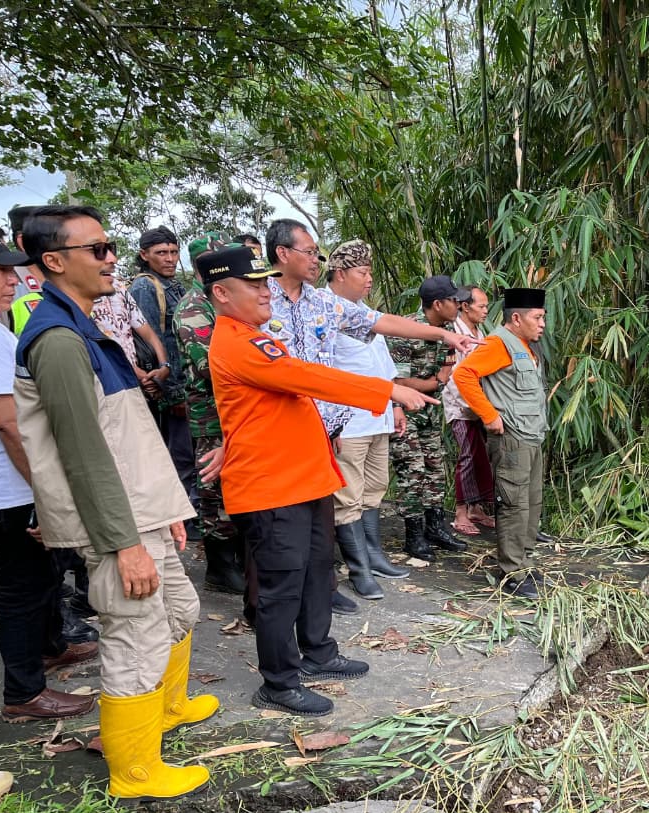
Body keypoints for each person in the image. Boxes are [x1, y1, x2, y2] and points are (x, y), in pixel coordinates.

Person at [15, 205, 215, 800]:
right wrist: (124, 543)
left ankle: (169, 709)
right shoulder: (56, 339)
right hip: (116, 522)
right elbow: (83, 452)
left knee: (178, 611)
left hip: (143, 507)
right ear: (54, 261)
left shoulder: (85, 326)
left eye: (110, 248)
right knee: (134, 634)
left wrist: (168, 508)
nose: (111, 259)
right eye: (97, 249)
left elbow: (125, 432)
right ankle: (134, 771)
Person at [203, 246, 436, 716]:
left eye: (266, 283)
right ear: (221, 293)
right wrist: (386, 389)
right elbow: (302, 376)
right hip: (272, 486)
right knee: (281, 588)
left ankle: (318, 653)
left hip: (305, 478)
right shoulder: (236, 340)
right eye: (254, 285)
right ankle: (279, 681)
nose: (267, 292)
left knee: (315, 573)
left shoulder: (257, 335)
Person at [263, 219, 480, 612]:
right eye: (310, 252)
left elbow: (381, 324)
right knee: (295, 513)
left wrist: (444, 335)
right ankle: (289, 597)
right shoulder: (261, 301)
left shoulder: (324, 304)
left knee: (333, 504)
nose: (317, 260)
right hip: (281, 423)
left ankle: (335, 581)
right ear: (283, 254)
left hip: (330, 422)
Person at [0, 227, 97, 721]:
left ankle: (51, 646)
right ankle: (23, 693)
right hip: (8, 485)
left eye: (13, 268)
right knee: (24, 586)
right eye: (0, 270)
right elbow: (8, 422)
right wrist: (46, 491)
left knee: (45, 575)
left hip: (10, 480)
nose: (13, 279)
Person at [325, 240, 409, 600]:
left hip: (378, 418)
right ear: (341, 274)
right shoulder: (323, 311)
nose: (369, 279)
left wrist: (396, 405)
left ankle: (374, 555)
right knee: (347, 496)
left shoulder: (366, 313)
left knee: (375, 488)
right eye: (363, 272)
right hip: (349, 421)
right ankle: (358, 569)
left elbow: (383, 366)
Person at [454, 287, 549, 599]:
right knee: (513, 504)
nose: (543, 323)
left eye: (544, 317)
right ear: (517, 318)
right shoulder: (499, 344)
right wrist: (489, 415)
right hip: (511, 440)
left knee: (531, 502)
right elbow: (464, 374)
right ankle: (511, 571)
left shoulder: (525, 346)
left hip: (531, 436)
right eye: (538, 317)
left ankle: (525, 561)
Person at [173, 233, 247, 595]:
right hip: (210, 414)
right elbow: (209, 366)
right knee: (215, 487)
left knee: (237, 481)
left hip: (237, 410)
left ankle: (237, 558)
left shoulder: (230, 301)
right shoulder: (193, 310)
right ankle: (219, 565)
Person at [391, 275, 470, 560]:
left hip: (428, 412)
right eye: (453, 301)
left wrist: (433, 383)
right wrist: (432, 383)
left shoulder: (448, 330)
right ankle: (413, 536)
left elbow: (446, 375)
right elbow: (397, 382)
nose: (459, 305)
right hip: (404, 413)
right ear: (438, 304)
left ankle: (434, 528)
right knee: (412, 471)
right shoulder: (405, 330)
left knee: (435, 468)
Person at [129, 226, 197, 521]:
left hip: (184, 383)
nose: (169, 259)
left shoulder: (174, 285)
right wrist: (169, 393)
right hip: (171, 388)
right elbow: (151, 339)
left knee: (190, 452)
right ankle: (183, 517)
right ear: (145, 255)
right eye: (161, 253)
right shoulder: (146, 287)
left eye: (173, 252)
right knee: (181, 455)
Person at [443, 286, 496, 536]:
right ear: (465, 306)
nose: (486, 311)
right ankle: (461, 512)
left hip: (479, 404)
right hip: (460, 404)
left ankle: (476, 508)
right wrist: (473, 403)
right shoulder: (454, 332)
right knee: (466, 455)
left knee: (481, 457)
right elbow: (455, 376)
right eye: (481, 306)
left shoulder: (479, 331)